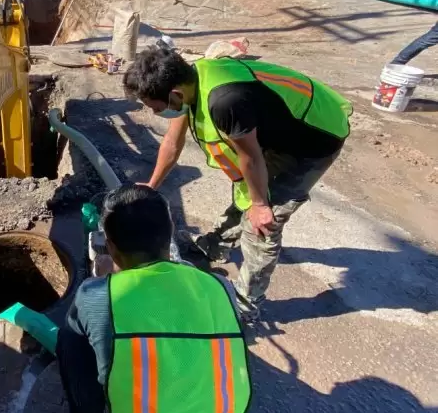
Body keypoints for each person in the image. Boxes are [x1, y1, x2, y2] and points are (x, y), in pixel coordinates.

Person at [57, 184, 256, 413]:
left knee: (73, 351)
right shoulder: (220, 289)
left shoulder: (98, 295)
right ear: (169, 240)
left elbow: (80, 373)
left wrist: (103, 280)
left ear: (111, 247)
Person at [123, 46, 352, 320]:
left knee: (263, 222)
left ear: (174, 95)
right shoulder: (190, 84)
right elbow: (173, 142)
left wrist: (260, 204)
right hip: (275, 129)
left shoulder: (224, 101)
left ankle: (245, 305)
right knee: (249, 191)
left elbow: (251, 157)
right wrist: (152, 185)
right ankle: (216, 244)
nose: (155, 113)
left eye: (155, 108)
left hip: (311, 137)